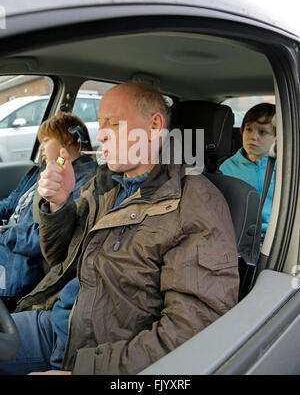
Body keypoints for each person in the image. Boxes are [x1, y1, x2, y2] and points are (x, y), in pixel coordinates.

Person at [0, 82, 239, 375]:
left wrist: (85, 371)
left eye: (112, 124)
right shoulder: (105, 183)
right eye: (100, 123)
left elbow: (191, 331)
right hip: (55, 324)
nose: (99, 135)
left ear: (153, 126)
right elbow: (59, 255)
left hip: (100, 355)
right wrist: (59, 206)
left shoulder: (197, 207)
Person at [0, 111, 97, 311]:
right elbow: (10, 204)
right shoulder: (40, 170)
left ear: (69, 139)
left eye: (45, 140)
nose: (41, 148)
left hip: (19, 261)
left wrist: (4, 234)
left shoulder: (85, 182)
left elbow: (49, 236)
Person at [220, 102, 276, 237]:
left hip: (276, 238)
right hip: (239, 237)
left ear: (276, 137)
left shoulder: (285, 169)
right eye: (248, 129)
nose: (253, 137)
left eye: (262, 132)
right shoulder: (226, 168)